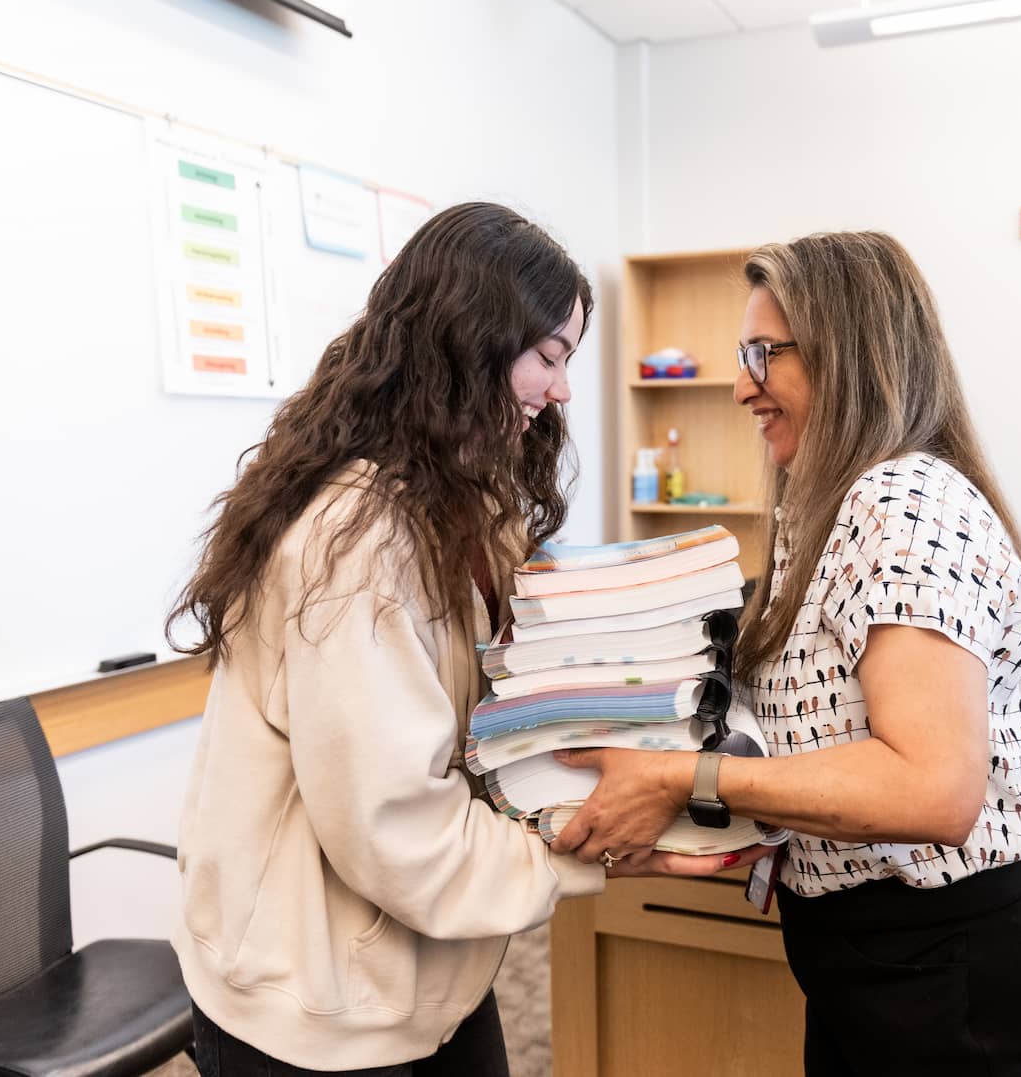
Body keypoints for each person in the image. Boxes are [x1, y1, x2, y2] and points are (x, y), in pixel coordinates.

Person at [165, 202, 760, 1077]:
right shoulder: (355, 546)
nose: (562, 390)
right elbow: (399, 835)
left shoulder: (459, 501)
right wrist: (609, 851)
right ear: (466, 342)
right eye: (549, 357)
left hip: (427, 965)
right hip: (318, 1004)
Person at [549, 231, 1021, 1075]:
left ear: (852, 354)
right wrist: (716, 831)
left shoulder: (901, 502)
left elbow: (930, 786)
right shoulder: (829, 499)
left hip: (948, 971)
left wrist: (681, 780)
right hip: (883, 959)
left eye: (765, 354)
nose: (740, 387)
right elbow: (825, 738)